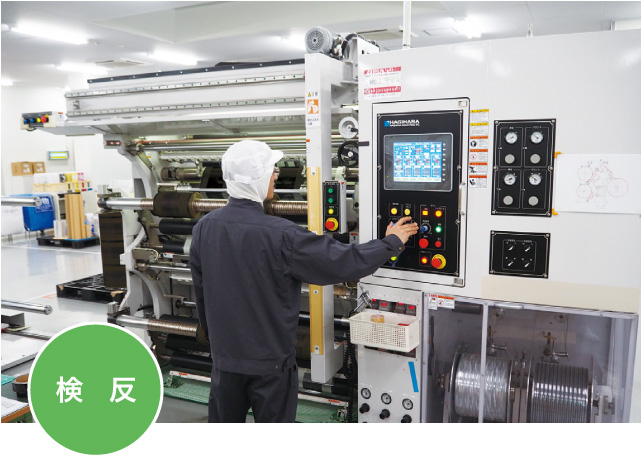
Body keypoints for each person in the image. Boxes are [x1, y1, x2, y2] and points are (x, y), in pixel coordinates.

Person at [189, 140, 418, 423]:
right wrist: (391, 242)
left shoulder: (204, 227)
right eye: (272, 170)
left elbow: (201, 293)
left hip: (225, 361)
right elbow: (343, 262)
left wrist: (218, 343)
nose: (275, 176)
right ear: (257, 178)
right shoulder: (282, 234)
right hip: (270, 366)